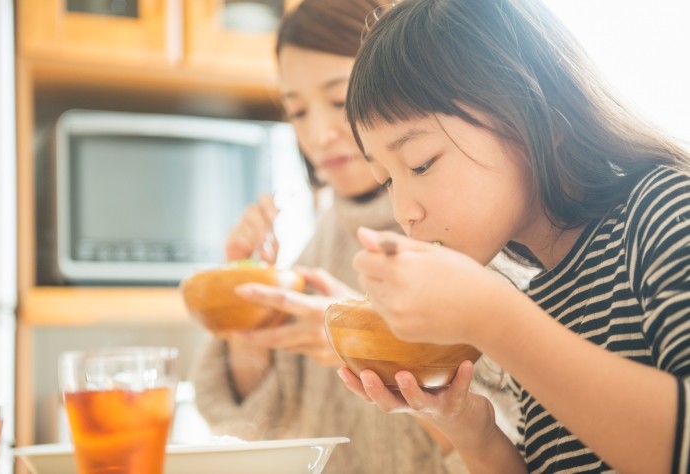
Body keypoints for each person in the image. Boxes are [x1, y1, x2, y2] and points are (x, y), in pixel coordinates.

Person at [336, 0, 690, 472]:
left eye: (421, 163)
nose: (404, 212)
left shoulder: (667, 209)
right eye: (387, 179)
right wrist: (470, 430)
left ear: (537, 113)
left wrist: (496, 321)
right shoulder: (540, 295)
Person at [189, 1, 522, 472]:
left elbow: (509, 437)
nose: (320, 134)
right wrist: (246, 310)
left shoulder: (465, 230)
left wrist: (369, 348)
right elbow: (260, 424)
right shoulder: (319, 241)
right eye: (297, 111)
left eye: (337, 99)